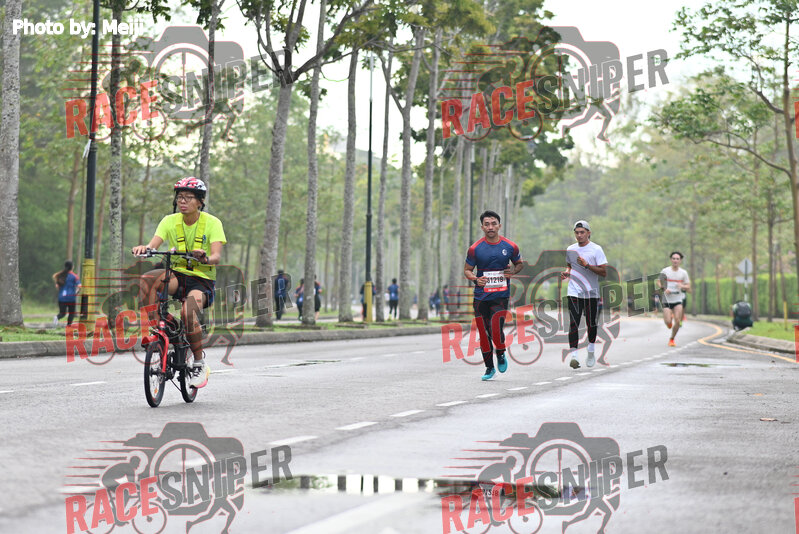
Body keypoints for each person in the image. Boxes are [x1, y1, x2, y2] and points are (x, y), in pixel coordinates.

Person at [131, 177, 226, 389]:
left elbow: (216, 256)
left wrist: (205, 258)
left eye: (188, 197)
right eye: (180, 197)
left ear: (200, 201)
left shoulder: (213, 223)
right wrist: (144, 248)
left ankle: (199, 363)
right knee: (147, 280)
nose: (183, 201)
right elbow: (153, 245)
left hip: (201, 281)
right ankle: (158, 328)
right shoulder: (169, 221)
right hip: (176, 276)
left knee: (187, 312)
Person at [464, 210, 523, 381]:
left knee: (495, 329)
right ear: (482, 227)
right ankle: (489, 368)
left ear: (499, 226)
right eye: (487, 224)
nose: (490, 227)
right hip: (481, 296)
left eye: (493, 224)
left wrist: (512, 271)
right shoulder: (475, 249)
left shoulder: (510, 246)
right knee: (483, 333)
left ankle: (501, 352)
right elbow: (467, 270)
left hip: (500, 296)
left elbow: (519, 264)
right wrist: (476, 279)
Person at [561, 220, 607, 369]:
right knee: (573, 323)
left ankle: (591, 350)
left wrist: (587, 265)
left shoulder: (596, 249)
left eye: (582, 232)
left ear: (588, 233)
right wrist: (567, 273)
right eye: (577, 233)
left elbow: (603, 272)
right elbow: (570, 266)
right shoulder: (571, 249)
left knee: (591, 323)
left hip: (591, 293)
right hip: (574, 291)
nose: (579, 235)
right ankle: (574, 356)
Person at [656, 251, 691, 346]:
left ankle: (672, 339)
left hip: (678, 299)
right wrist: (664, 288)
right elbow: (658, 282)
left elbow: (688, 286)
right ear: (671, 260)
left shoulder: (683, 273)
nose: (675, 260)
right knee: (668, 322)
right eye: (674, 258)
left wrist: (682, 285)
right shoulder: (665, 271)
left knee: (678, 320)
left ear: (680, 260)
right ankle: (669, 320)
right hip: (667, 299)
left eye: (677, 259)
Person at [52, 261, 81, 326]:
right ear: (72, 267)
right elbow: (79, 286)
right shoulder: (74, 276)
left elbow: (57, 286)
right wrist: (76, 292)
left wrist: (61, 292)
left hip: (62, 297)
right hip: (71, 297)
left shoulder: (60, 275)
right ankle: (69, 325)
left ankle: (57, 317)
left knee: (62, 313)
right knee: (71, 313)